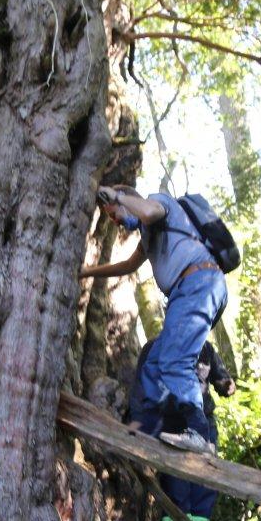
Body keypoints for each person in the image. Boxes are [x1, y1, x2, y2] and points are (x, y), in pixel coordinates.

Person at [81, 185, 228, 455]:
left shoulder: (158, 203)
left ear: (128, 201)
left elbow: (148, 211)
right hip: (191, 292)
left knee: (175, 361)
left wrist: (117, 196)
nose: (115, 221)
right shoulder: (149, 237)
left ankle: (199, 433)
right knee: (155, 360)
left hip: (197, 283)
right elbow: (126, 266)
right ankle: (145, 423)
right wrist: (86, 272)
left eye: (114, 214)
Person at [128, 340, 236, 521]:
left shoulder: (206, 348)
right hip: (172, 429)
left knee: (203, 497)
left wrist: (226, 385)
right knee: (178, 495)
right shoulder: (157, 346)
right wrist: (136, 426)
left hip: (204, 429)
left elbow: (220, 378)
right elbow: (140, 390)